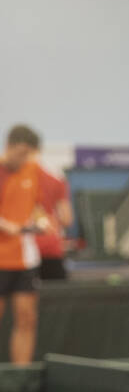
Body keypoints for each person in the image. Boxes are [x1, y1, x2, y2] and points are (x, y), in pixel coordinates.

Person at [0, 125, 45, 364]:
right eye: (21, 153)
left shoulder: (33, 170)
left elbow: (38, 205)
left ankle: (21, 376)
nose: (24, 159)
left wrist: (40, 220)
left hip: (25, 258)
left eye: (28, 154)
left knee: (27, 319)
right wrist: (5, 224)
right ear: (9, 146)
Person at [31, 142, 73, 281]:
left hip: (22, 250)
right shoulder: (56, 180)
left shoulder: (10, 180)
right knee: (55, 297)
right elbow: (66, 219)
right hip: (50, 247)